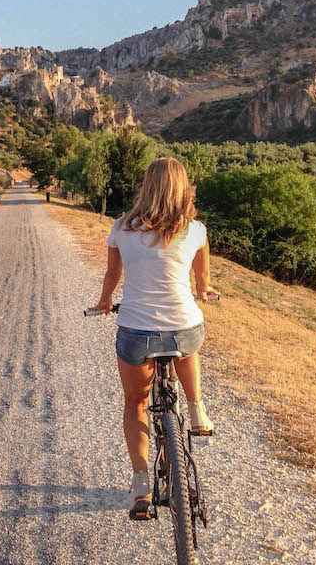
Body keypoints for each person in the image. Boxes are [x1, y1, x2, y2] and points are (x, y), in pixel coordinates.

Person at [87, 157, 217, 520]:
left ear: (146, 186)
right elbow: (202, 277)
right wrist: (204, 292)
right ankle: (196, 410)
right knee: (187, 333)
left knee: (136, 404)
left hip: (136, 333)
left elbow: (113, 275)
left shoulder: (120, 228)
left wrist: (103, 303)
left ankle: (142, 483)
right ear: (183, 188)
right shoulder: (195, 230)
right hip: (183, 329)